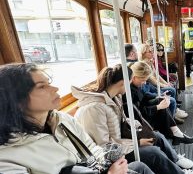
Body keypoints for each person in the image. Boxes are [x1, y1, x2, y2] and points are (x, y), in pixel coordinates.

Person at [0, 63, 153, 174]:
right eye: (41, 86)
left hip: (93, 168)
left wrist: (108, 161)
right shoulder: (7, 158)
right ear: (16, 100)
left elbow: (91, 147)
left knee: (139, 166)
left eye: (49, 84)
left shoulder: (62, 120)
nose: (55, 89)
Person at [72, 64, 193, 174]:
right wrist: (138, 143)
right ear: (123, 83)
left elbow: (121, 123)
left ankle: (175, 162)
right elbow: (103, 146)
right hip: (112, 154)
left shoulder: (114, 98)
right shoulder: (93, 109)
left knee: (157, 136)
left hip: (121, 140)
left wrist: (139, 129)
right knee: (153, 153)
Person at [123, 62, 193, 145]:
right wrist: (158, 107)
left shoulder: (135, 86)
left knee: (160, 100)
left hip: (143, 113)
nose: (144, 83)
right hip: (139, 122)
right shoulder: (129, 93)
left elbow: (144, 96)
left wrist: (158, 96)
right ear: (135, 77)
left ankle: (175, 133)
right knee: (161, 106)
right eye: (143, 80)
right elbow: (138, 113)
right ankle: (175, 133)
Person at [139, 44, 188, 122]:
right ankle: (172, 117)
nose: (152, 53)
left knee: (171, 89)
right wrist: (164, 85)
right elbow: (152, 80)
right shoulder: (143, 65)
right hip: (151, 88)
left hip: (154, 86)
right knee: (171, 90)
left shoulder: (150, 62)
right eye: (150, 51)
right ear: (144, 53)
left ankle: (174, 112)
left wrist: (166, 83)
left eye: (152, 51)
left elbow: (156, 75)